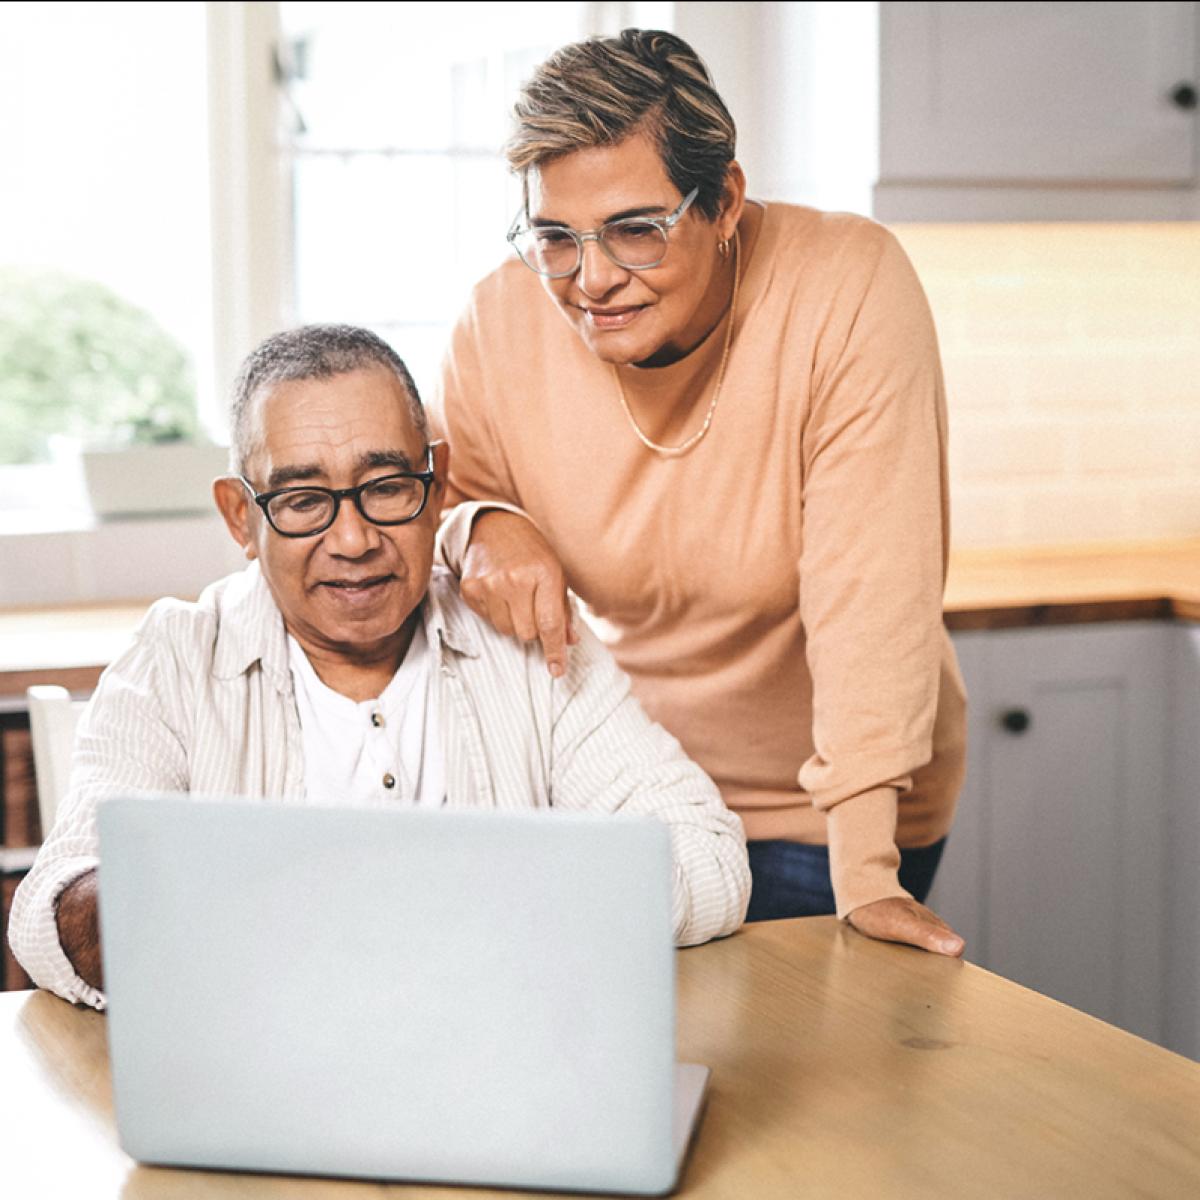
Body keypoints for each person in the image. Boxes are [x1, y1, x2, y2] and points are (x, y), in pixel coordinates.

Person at [9, 324, 751, 1010]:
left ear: (437, 487)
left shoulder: (528, 636)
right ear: (241, 517)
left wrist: (464, 902)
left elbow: (710, 863)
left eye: (387, 487)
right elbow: (54, 913)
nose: (355, 539)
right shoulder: (172, 662)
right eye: (302, 500)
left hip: (504, 1067)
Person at [433, 29, 968, 955]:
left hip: (827, 803)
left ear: (722, 200)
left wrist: (866, 873)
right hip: (636, 787)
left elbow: (871, 593)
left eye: (637, 229)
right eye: (555, 237)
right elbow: (448, 514)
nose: (592, 279)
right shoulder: (498, 321)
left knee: (801, 1087)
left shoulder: (845, 286)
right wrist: (482, 527)